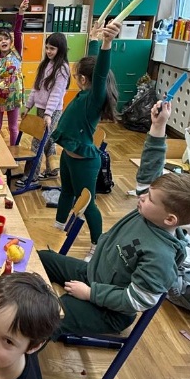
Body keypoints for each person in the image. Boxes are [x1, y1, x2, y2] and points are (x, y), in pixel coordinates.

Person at [38, 100, 190, 338]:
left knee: (44, 318)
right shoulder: (152, 212)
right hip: (93, 275)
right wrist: (158, 126)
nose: (142, 197)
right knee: (42, 258)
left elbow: (136, 299)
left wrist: (90, 294)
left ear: (170, 219)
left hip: (109, 311)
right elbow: (151, 167)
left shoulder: (161, 257)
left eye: (149, 198)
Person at [49, 21, 120, 257]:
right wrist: (94, 38)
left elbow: (99, 72)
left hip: (84, 162)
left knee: (88, 206)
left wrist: (107, 43)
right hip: (69, 157)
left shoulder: (93, 99)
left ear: (82, 78)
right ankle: (58, 228)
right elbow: (94, 67)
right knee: (66, 193)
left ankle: (97, 245)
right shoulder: (85, 93)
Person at [22, 31, 70, 181]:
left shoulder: (62, 69)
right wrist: (28, 106)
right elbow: (35, 88)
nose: (48, 51)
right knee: (48, 141)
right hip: (41, 109)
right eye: (47, 47)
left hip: (52, 111)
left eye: (52, 49)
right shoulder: (45, 64)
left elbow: (56, 94)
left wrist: (48, 114)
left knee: (37, 142)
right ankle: (52, 170)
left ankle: (31, 176)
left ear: (60, 49)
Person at [0, 0, 29, 145]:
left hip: (14, 95)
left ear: (11, 41)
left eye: (6, 39)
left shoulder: (16, 53)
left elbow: (17, 31)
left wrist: (20, 12)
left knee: (13, 127)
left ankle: (14, 149)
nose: (3, 41)